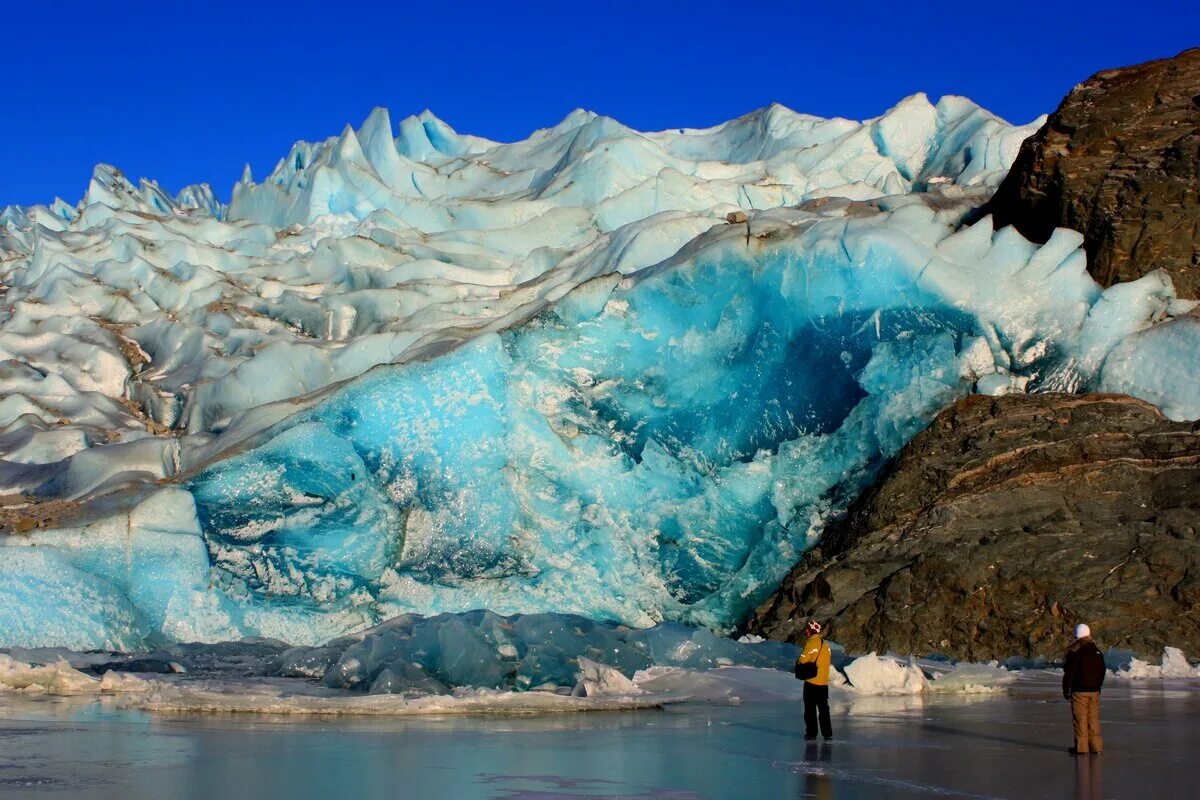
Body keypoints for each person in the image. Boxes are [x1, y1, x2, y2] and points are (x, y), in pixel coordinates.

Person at [1063, 623, 1105, 755]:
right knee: (1093, 719)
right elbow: (1102, 670)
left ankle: (1081, 748)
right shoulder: (1096, 651)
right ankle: (1095, 746)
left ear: (1076, 636)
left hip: (1079, 691)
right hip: (1094, 690)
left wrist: (1066, 689)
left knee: (1080, 719)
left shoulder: (1076, 651)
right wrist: (1098, 686)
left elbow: (1069, 672)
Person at [796, 620, 833, 741]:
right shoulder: (826, 644)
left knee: (810, 709)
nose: (805, 631)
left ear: (810, 631)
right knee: (824, 709)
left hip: (812, 681)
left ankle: (811, 733)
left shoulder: (811, 643)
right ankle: (827, 733)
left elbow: (803, 660)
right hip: (823, 682)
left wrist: (798, 662)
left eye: (807, 629)